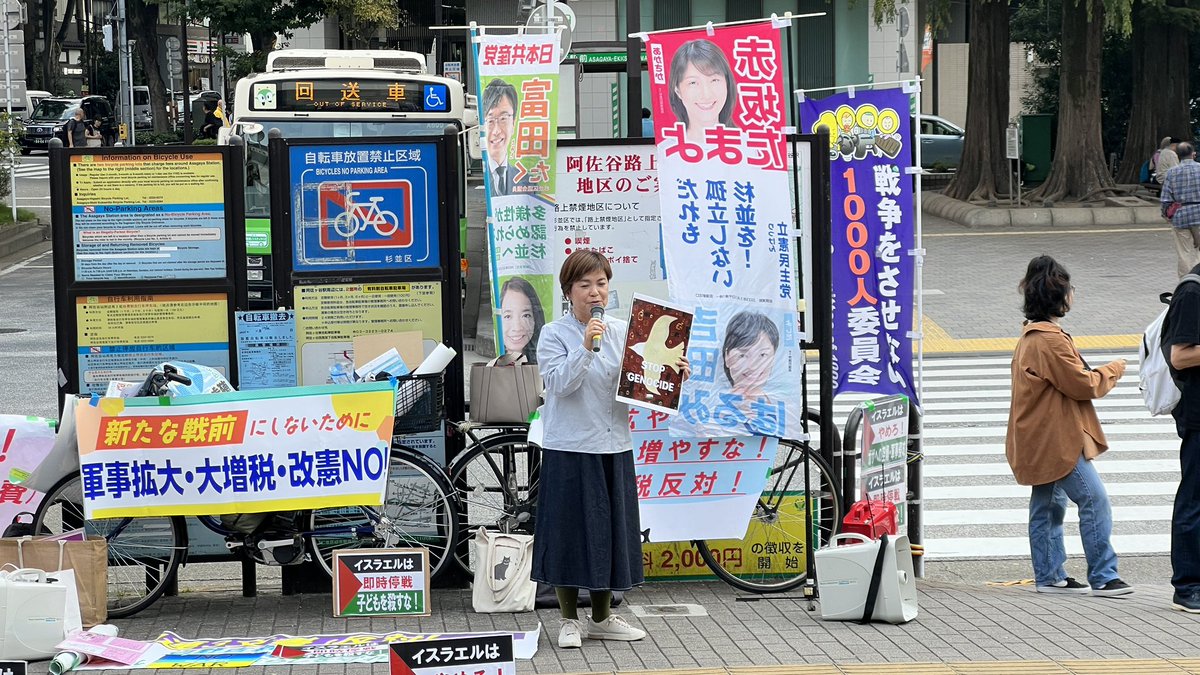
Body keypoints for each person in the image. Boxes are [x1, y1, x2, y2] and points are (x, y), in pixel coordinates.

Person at [534, 250, 688, 649]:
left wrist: (672, 374)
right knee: (569, 533)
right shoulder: (553, 334)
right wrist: (585, 348)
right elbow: (559, 385)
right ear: (569, 291)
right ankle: (568, 620)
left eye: (601, 283)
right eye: (584, 285)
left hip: (613, 444)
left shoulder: (626, 331)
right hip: (568, 445)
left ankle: (602, 618)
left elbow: (643, 386)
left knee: (608, 533)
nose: (594, 292)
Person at [1005, 255, 1131, 597]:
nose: (1073, 295)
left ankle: (1050, 575)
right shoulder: (1050, 340)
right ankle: (1104, 575)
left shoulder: (1033, 336)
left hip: (1038, 435)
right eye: (1070, 289)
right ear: (1059, 296)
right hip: (1056, 439)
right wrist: (1115, 369)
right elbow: (1084, 385)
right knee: (1094, 499)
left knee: (1047, 505)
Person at [1164, 261, 1200, 613]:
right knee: (1194, 498)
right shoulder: (1192, 292)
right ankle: (1187, 584)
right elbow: (1181, 355)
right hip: (1199, 415)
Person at [667, 38, 737, 144]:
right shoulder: (668, 149)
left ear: (727, 84)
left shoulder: (750, 146)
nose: (706, 94)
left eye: (714, 80)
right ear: (678, 91)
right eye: (693, 83)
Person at [1161, 142, 1200, 277]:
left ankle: (1187, 282)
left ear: (1178, 155)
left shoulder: (1171, 172)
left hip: (1181, 215)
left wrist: (1166, 215)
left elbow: (1166, 199)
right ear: (1193, 154)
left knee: (1185, 253)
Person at [482, 78, 518, 196]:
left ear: (513, 123)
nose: (496, 131)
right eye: (490, 120)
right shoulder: (480, 179)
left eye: (503, 119)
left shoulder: (528, 181)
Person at [498, 276, 545, 364]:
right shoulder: (493, 368)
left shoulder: (546, 363)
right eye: (508, 316)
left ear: (535, 319)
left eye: (526, 316)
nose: (517, 327)